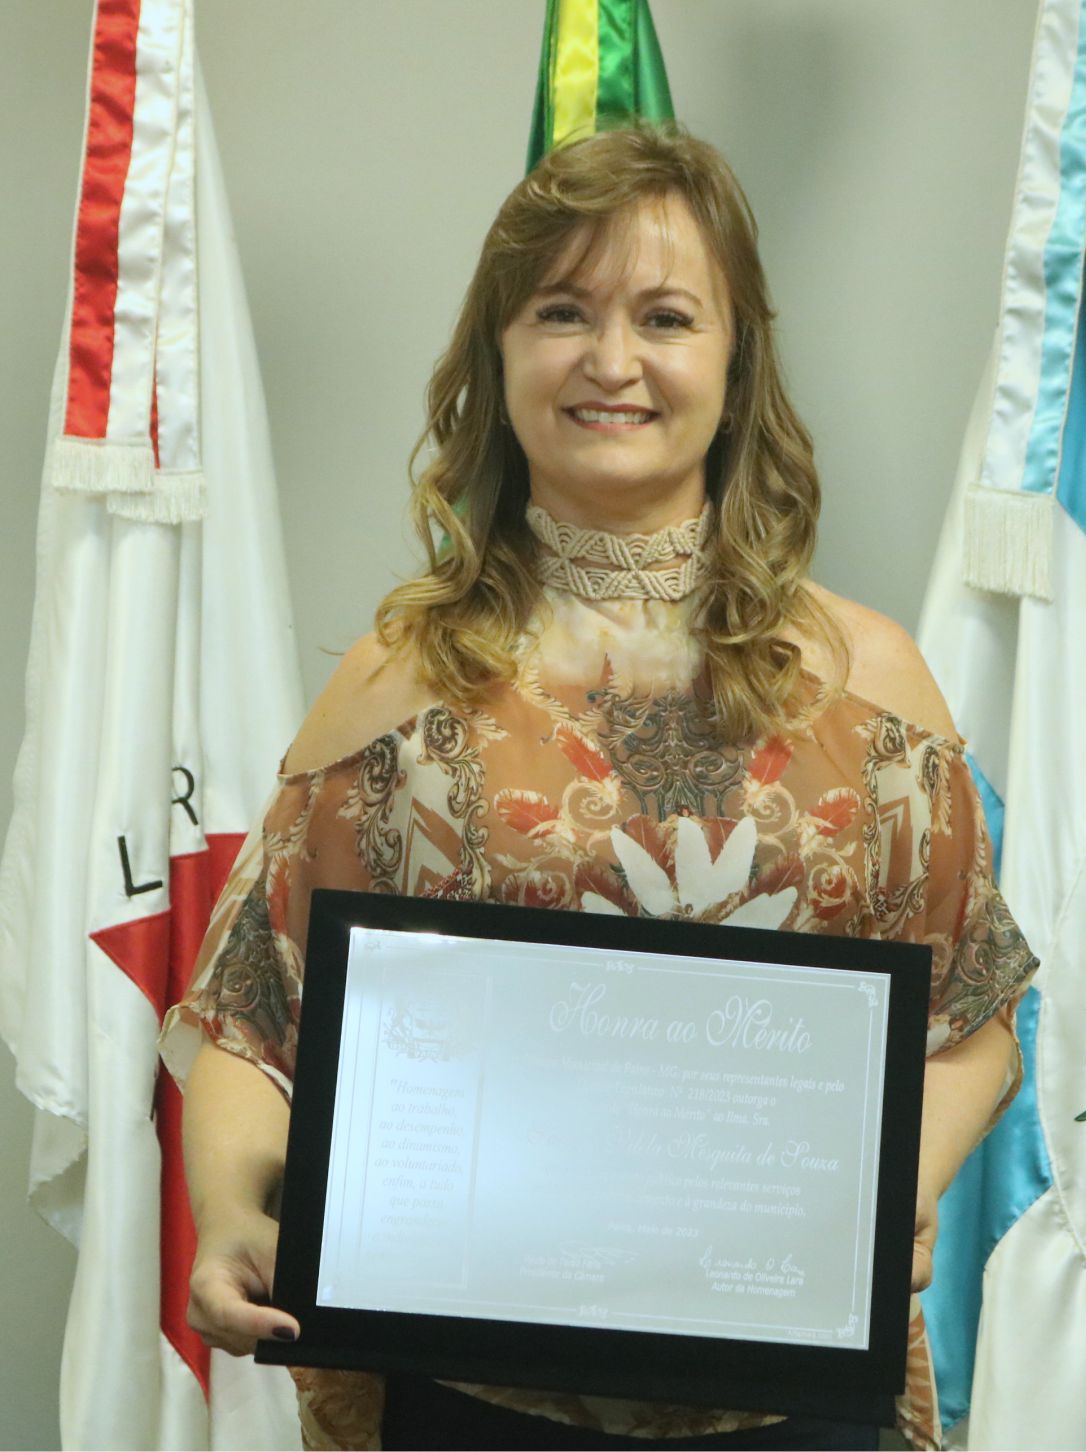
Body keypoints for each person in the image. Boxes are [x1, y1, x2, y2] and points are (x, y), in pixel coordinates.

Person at [161, 125, 1038, 1452]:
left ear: (736, 366)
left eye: (666, 318)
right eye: (563, 312)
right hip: (474, 1402)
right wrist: (232, 1213)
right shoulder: (398, 686)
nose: (612, 360)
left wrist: (890, 1189)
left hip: (788, 1400)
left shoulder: (875, 685)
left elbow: (973, 1018)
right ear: (499, 355)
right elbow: (252, 1022)